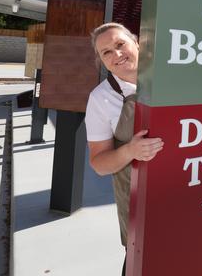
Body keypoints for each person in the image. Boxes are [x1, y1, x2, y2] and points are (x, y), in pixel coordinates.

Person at [84, 22, 164, 275]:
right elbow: (98, 163)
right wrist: (130, 151)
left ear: (137, 42)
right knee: (141, 262)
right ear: (101, 61)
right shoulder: (100, 98)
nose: (116, 54)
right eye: (106, 52)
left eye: (120, 44)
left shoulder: (171, 76)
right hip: (138, 200)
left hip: (185, 188)